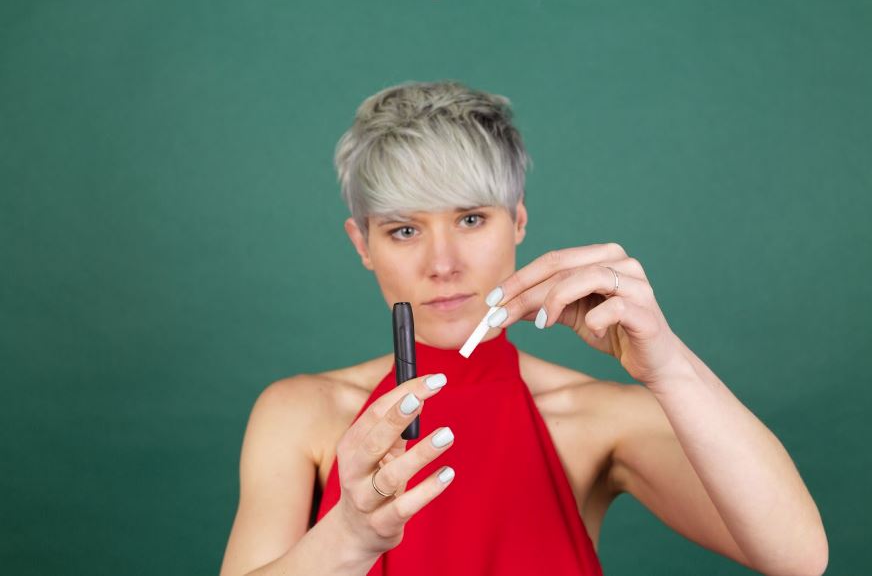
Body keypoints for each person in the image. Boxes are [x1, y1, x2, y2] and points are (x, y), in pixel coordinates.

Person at [219, 80, 828, 576]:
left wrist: (669, 368)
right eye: (404, 230)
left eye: (471, 219)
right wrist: (349, 536)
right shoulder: (300, 414)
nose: (442, 263)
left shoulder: (596, 417)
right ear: (362, 244)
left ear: (518, 220)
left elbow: (798, 558)